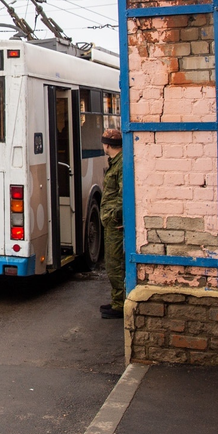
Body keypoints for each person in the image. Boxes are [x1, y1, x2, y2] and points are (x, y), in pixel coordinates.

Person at [100, 128, 125, 319]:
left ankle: (120, 305)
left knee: (115, 264)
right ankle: (117, 300)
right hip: (113, 221)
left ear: (107, 145)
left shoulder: (121, 164)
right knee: (112, 263)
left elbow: (123, 196)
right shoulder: (116, 162)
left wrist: (111, 215)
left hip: (115, 223)